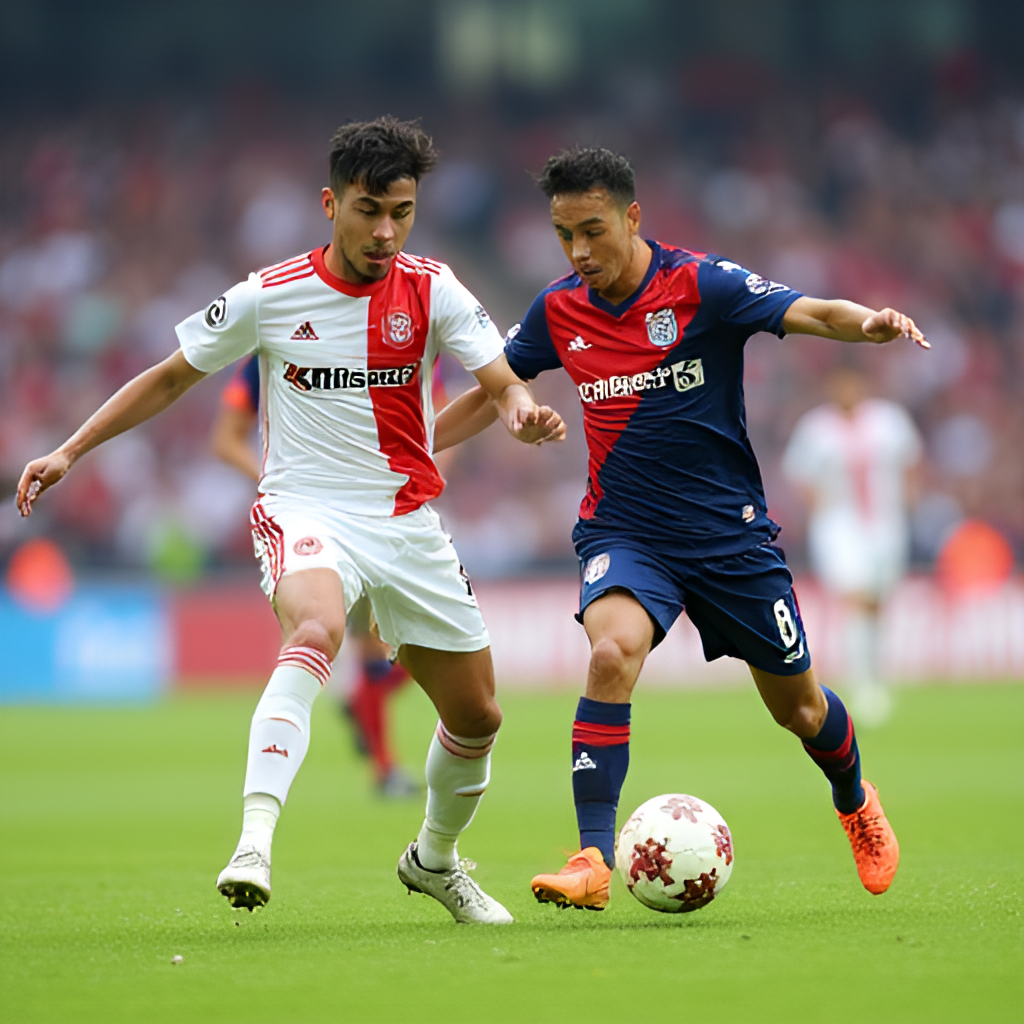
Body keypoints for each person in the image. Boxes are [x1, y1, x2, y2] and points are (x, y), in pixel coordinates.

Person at [17, 116, 565, 924]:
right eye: (369, 209)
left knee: (478, 715)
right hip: (304, 504)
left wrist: (520, 410)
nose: (386, 230)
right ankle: (254, 841)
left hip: (404, 517)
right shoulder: (269, 295)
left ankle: (435, 862)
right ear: (330, 203)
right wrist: (70, 450)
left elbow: (500, 377)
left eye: (402, 212)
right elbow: (170, 378)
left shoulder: (433, 286)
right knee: (314, 631)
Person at [435, 147, 928, 910]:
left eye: (593, 230)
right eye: (565, 234)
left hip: (730, 541)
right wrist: (414, 446)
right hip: (625, 532)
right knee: (609, 654)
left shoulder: (702, 285)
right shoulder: (558, 309)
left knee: (798, 708)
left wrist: (869, 325)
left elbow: (812, 311)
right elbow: (499, 382)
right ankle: (593, 861)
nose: (579, 251)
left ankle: (855, 799)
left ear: (633, 217)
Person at [213, 354, 421, 797]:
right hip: (319, 528)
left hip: (389, 510)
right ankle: (384, 767)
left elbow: (433, 414)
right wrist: (279, 484)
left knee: (414, 645)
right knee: (371, 645)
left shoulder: (383, 340)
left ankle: (362, 704)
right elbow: (226, 440)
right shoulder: (267, 351)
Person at [782, 365, 922, 726]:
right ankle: (863, 686)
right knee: (855, 595)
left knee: (875, 602)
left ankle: (874, 675)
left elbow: (910, 464)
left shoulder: (889, 421)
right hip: (839, 526)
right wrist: (819, 511)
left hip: (885, 523)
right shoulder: (816, 428)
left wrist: (909, 505)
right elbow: (799, 475)